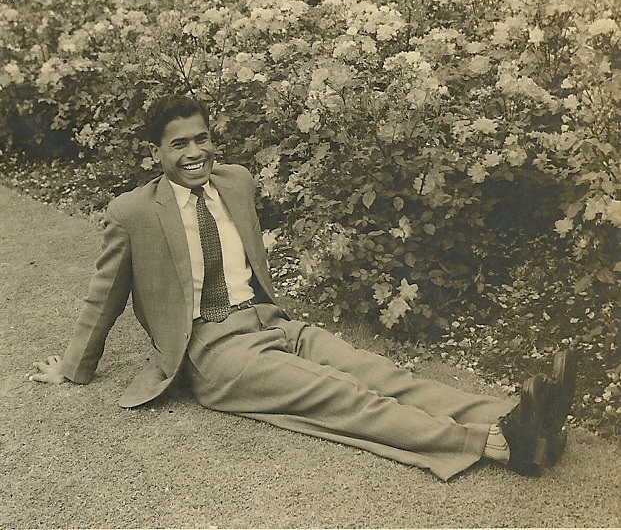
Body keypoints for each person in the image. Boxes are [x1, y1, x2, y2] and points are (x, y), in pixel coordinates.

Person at [31, 93, 577, 482]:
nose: (195, 152)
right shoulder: (131, 213)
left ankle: (520, 410)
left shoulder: (236, 181)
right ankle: (498, 444)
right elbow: (102, 296)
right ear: (157, 152)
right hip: (213, 350)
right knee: (344, 395)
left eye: (203, 138)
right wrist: (73, 367)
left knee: (381, 373)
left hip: (271, 322)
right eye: (179, 144)